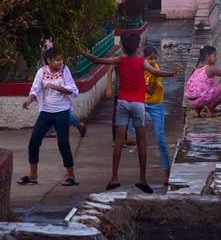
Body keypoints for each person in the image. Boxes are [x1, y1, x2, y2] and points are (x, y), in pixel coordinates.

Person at [79, 33, 178, 194]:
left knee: (119, 141)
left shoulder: (120, 60)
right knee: (142, 142)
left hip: (123, 103)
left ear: (122, 47)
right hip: (138, 104)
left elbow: (98, 61)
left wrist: (82, 51)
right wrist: (171, 74)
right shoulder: (142, 62)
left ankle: (114, 178)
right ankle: (142, 179)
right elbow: (156, 72)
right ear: (138, 47)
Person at [17, 47, 79, 187]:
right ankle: (33, 175)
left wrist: (55, 86)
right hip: (45, 112)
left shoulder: (65, 71)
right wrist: (30, 99)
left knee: (63, 144)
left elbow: (72, 90)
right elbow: (36, 88)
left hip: (62, 112)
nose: (60, 62)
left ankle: (71, 176)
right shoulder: (42, 72)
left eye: (61, 59)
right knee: (34, 142)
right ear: (49, 60)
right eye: (57, 60)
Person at [142, 46, 171, 185]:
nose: (153, 61)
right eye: (150, 59)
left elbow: (152, 90)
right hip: (141, 103)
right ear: (144, 59)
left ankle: (166, 170)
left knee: (160, 137)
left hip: (156, 104)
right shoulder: (141, 67)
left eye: (155, 58)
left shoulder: (156, 70)